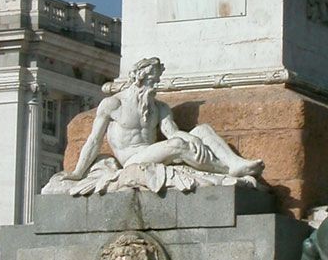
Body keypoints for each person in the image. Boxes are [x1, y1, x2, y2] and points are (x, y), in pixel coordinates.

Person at [63, 57, 263, 182]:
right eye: (152, 80)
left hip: (152, 152)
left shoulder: (159, 107)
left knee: (202, 130)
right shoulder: (113, 104)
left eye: (157, 81)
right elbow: (94, 140)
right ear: (137, 79)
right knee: (178, 145)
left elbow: (172, 132)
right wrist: (78, 172)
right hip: (132, 160)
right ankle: (227, 171)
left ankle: (235, 162)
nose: (155, 85)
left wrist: (192, 137)